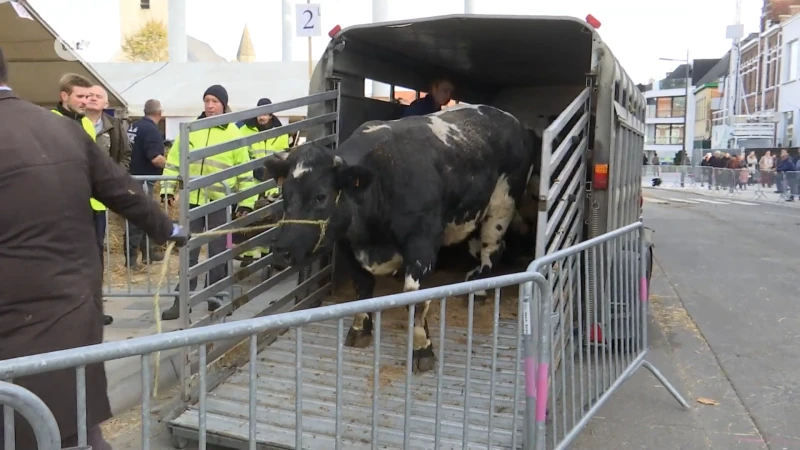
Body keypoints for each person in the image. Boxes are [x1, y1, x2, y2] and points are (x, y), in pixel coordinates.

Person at [0, 47, 190, 450]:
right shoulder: (62, 129)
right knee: (74, 424)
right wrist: (169, 228)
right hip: (72, 309)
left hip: (12, 326)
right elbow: (124, 189)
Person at [161, 84, 258, 320]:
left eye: (214, 101)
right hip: (192, 202)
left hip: (219, 203)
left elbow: (244, 171)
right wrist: (166, 188)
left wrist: (246, 202)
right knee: (188, 251)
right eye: (207, 101)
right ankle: (182, 299)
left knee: (217, 252)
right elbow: (173, 162)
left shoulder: (234, 134)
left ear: (223, 103)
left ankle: (217, 297)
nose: (210, 105)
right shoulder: (191, 130)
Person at [51, 73, 115, 326]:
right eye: (80, 96)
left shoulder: (86, 124)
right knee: (65, 260)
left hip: (94, 205)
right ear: (64, 96)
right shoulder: (51, 122)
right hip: (66, 205)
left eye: (88, 97)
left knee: (94, 260)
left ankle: (92, 309)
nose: (85, 101)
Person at [236, 98, 289, 267]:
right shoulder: (244, 130)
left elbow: (284, 155)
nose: (262, 117)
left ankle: (267, 252)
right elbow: (240, 153)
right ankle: (248, 253)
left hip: (271, 182)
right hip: (250, 181)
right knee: (249, 216)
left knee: (269, 217)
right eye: (259, 112)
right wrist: (254, 168)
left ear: (271, 114)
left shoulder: (281, 132)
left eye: (265, 113)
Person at [126, 99, 168, 269]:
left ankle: (147, 253)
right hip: (142, 180)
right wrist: (173, 165)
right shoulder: (151, 130)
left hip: (131, 177)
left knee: (145, 217)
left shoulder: (134, 126)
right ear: (160, 113)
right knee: (139, 219)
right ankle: (131, 259)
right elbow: (156, 158)